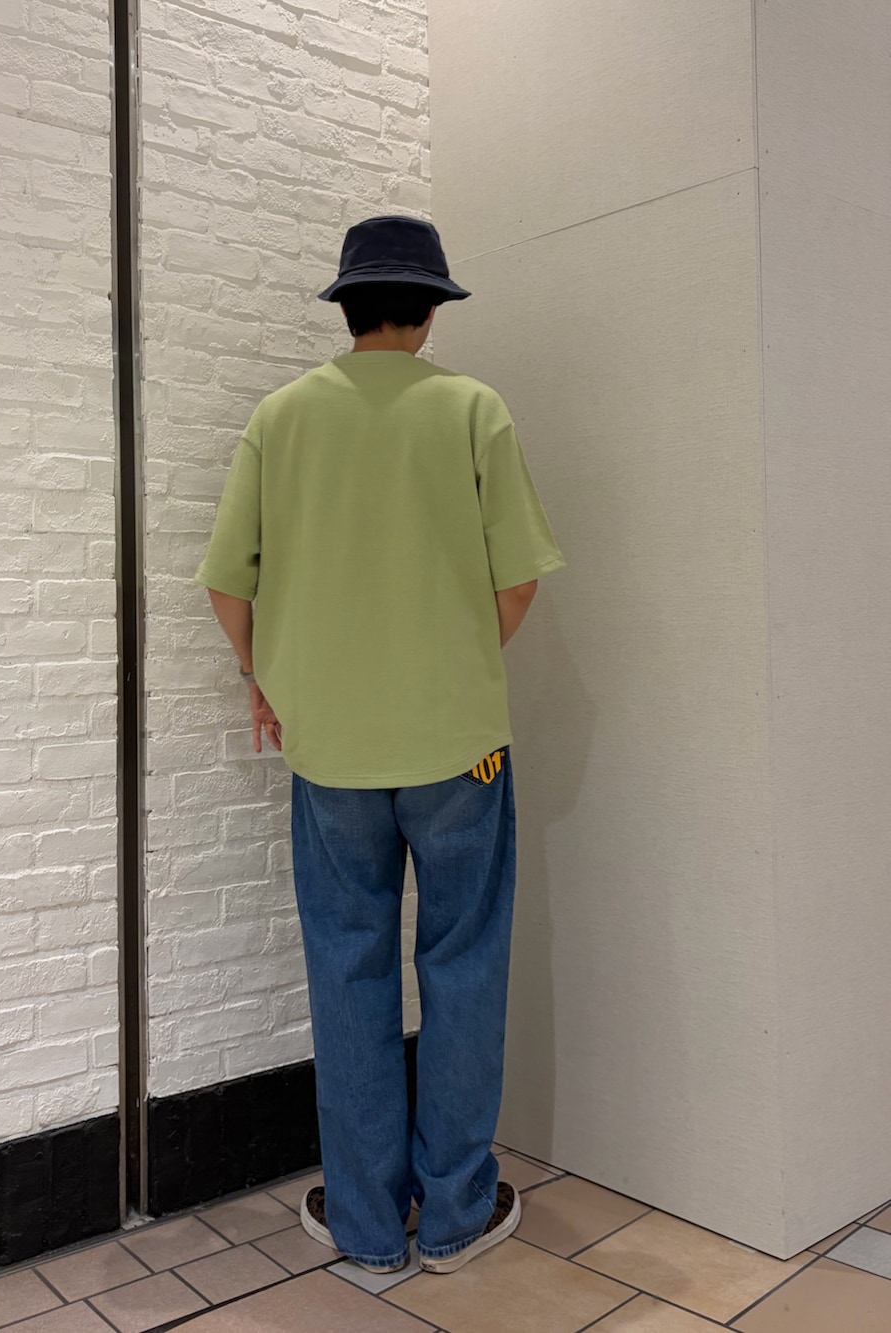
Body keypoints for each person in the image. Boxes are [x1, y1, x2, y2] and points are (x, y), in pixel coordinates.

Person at [195, 215, 565, 1275]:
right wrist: (450, 664)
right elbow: (517, 581)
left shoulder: (282, 417)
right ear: (431, 310)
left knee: (347, 968)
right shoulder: (472, 410)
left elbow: (226, 582)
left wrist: (266, 680)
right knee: (463, 966)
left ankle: (364, 1224)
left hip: (329, 751)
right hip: (460, 748)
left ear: (347, 309)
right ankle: (453, 1215)